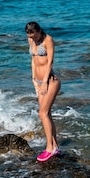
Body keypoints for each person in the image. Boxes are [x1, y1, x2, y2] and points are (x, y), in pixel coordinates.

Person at [25, 21, 61, 162]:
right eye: (30, 37)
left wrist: (45, 81)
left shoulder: (48, 40)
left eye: (34, 36)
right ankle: (55, 146)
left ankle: (49, 149)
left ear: (39, 31)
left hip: (51, 81)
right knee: (47, 114)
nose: (33, 39)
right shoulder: (31, 40)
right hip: (39, 82)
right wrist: (34, 80)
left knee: (42, 113)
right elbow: (33, 60)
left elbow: (50, 61)